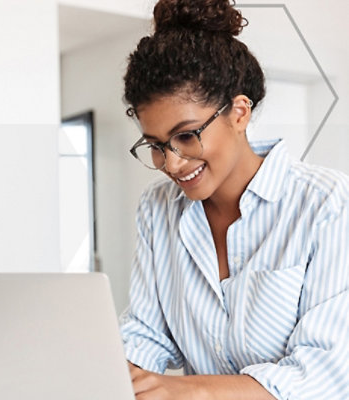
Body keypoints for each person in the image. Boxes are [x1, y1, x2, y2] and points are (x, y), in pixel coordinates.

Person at [119, 0, 349, 399]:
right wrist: (108, 372)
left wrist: (185, 391)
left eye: (187, 135)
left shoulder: (325, 203)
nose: (171, 164)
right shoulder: (157, 209)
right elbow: (147, 334)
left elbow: (324, 375)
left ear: (239, 113)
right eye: (155, 145)